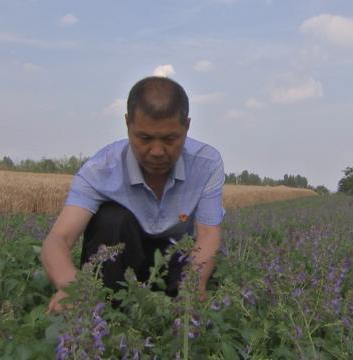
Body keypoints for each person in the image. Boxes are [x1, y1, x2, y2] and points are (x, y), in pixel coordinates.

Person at [40, 76, 225, 313]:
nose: (157, 152)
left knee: (189, 267)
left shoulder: (206, 164)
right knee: (111, 219)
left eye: (170, 139)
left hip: (174, 260)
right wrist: (69, 285)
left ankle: (174, 309)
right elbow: (58, 239)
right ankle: (108, 312)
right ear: (128, 124)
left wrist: (195, 283)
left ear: (186, 126)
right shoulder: (101, 170)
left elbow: (209, 234)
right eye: (145, 138)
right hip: (121, 261)